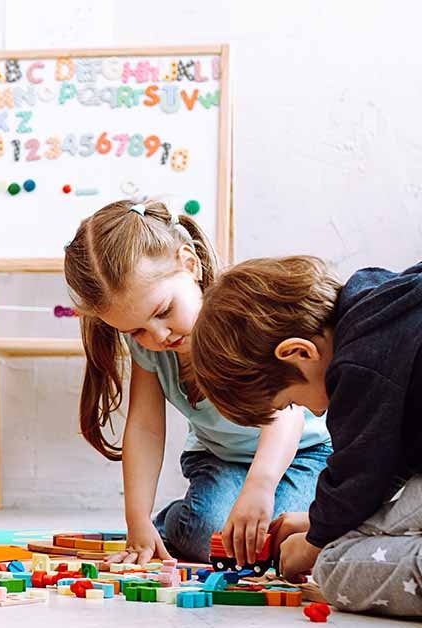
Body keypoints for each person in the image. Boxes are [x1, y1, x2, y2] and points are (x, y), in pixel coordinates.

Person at [62, 200, 331, 565]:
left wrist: (260, 485)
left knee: (276, 540)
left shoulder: (240, 318)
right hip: (219, 458)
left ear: (190, 264)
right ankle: (174, 521)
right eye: (136, 330)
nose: (158, 335)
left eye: (163, 312)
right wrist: (137, 520)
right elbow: (145, 427)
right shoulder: (151, 348)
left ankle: (222, 507)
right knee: (215, 536)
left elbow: (287, 413)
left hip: (302, 452)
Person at [192, 256, 422, 617]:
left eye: (292, 401)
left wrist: (314, 544)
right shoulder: (376, 298)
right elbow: (387, 463)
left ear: (299, 353)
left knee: (334, 566)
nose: (315, 413)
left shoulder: (358, 364)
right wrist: (320, 520)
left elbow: (357, 477)